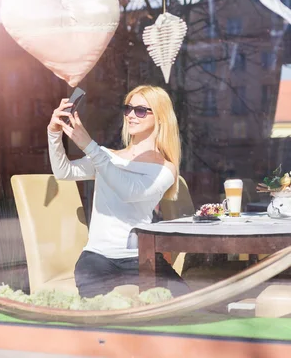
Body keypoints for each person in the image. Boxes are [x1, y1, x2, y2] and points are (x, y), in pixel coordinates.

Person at [47, 85, 189, 298]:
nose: (131, 115)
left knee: (186, 304)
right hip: (98, 257)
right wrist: (54, 133)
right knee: (101, 313)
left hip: (143, 257)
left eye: (141, 110)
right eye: (128, 108)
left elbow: (129, 192)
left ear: (160, 117)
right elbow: (63, 171)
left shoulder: (165, 168)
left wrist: (90, 146)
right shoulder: (106, 156)